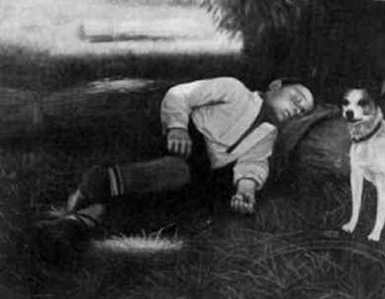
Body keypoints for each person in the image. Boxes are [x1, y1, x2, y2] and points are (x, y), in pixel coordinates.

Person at [34, 76, 314, 264]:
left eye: (303, 110)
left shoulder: (268, 134)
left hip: (205, 173)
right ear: (276, 85)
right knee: (175, 171)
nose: (298, 108)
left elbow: (254, 162)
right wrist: (178, 127)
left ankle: (78, 224)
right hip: (181, 141)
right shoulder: (234, 90)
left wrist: (246, 188)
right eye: (297, 97)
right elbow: (180, 94)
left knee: (177, 208)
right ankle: (104, 180)